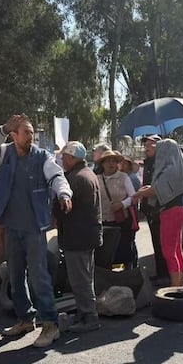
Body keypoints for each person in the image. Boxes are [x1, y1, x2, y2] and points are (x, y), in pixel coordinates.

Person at [0, 114, 73, 348]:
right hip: (12, 227)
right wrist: (3, 127)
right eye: (26, 132)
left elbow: (57, 176)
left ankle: (50, 324)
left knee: (39, 275)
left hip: (34, 228)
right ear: (14, 135)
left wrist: (64, 193)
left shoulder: (42, 157)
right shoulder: (5, 153)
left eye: (32, 132)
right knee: (15, 274)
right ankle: (25, 318)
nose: (31, 136)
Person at [133, 138, 183, 287]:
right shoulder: (175, 167)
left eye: (159, 148)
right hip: (178, 210)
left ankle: (175, 288)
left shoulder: (169, 169)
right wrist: (145, 190)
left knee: (169, 252)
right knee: (176, 250)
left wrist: (140, 193)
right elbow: (158, 186)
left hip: (170, 212)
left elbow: (156, 189)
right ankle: (179, 285)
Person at [55, 141, 103, 333]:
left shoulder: (75, 178)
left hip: (77, 236)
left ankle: (89, 316)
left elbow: (63, 209)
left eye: (65, 157)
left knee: (80, 279)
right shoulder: (87, 174)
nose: (62, 160)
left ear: (72, 157)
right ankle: (85, 313)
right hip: (86, 235)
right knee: (85, 277)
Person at [95, 150, 137, 268]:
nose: (111, 164)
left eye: (113, 161)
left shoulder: (124, 177)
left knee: (124, 252)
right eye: (108, 161)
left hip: (120, 222)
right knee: (104, 254)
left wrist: (122, 204)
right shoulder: (96, 179)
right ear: (102, 164)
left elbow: (134, 197)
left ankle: (127, 276)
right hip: (102, 222)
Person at [139, 134, 168, 284]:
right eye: (146, 145)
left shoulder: (163, 164)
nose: (146, 148)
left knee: (164, 243)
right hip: (150, 209)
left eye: (150, 145)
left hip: (161, 208)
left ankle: (167, 274)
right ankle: (160, 271)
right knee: (156, 242)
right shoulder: (148, 163)